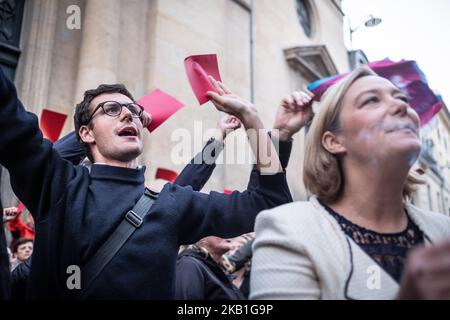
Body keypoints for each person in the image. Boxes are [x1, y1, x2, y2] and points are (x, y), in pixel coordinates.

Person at [0, 66, 291, 299]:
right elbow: (20, 130)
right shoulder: (59, 185)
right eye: (111, 109)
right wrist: (118, 120)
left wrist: (252, 119)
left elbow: (270, 202)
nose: (129, 113)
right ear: (86, 134)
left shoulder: (171, 203)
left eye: (135, 111)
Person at [250, 66, 450, 300]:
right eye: (371, 101)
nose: (402, 106)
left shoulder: (443, 230)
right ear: (334, 142)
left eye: (402, 98)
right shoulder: (287, 231)